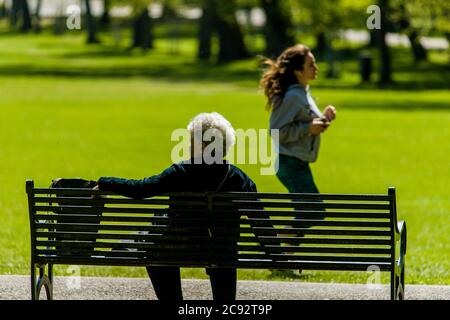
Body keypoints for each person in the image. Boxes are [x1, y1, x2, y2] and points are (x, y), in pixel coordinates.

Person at [96, 112, 257, 301]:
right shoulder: (240, 179)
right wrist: (277, 255)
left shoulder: (180, 172)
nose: (188, 144)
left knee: (158, 251)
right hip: (222, 252)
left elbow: (141, 189)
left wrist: (105, 182)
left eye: (191, 140)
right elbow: (260, 222)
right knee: (223, 250)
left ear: (203, 146)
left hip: (179, 248)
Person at [260, 44, 336, 196]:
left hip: (298, 163)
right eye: (310, 65)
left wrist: (324, 117)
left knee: (308, 214)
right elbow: (275, 131)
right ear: (298, 71)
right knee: (313, 213)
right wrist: (308, 128)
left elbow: (305, 121)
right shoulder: (293, 96)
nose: (316, 68)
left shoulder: (302, 92)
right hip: (289, 164)